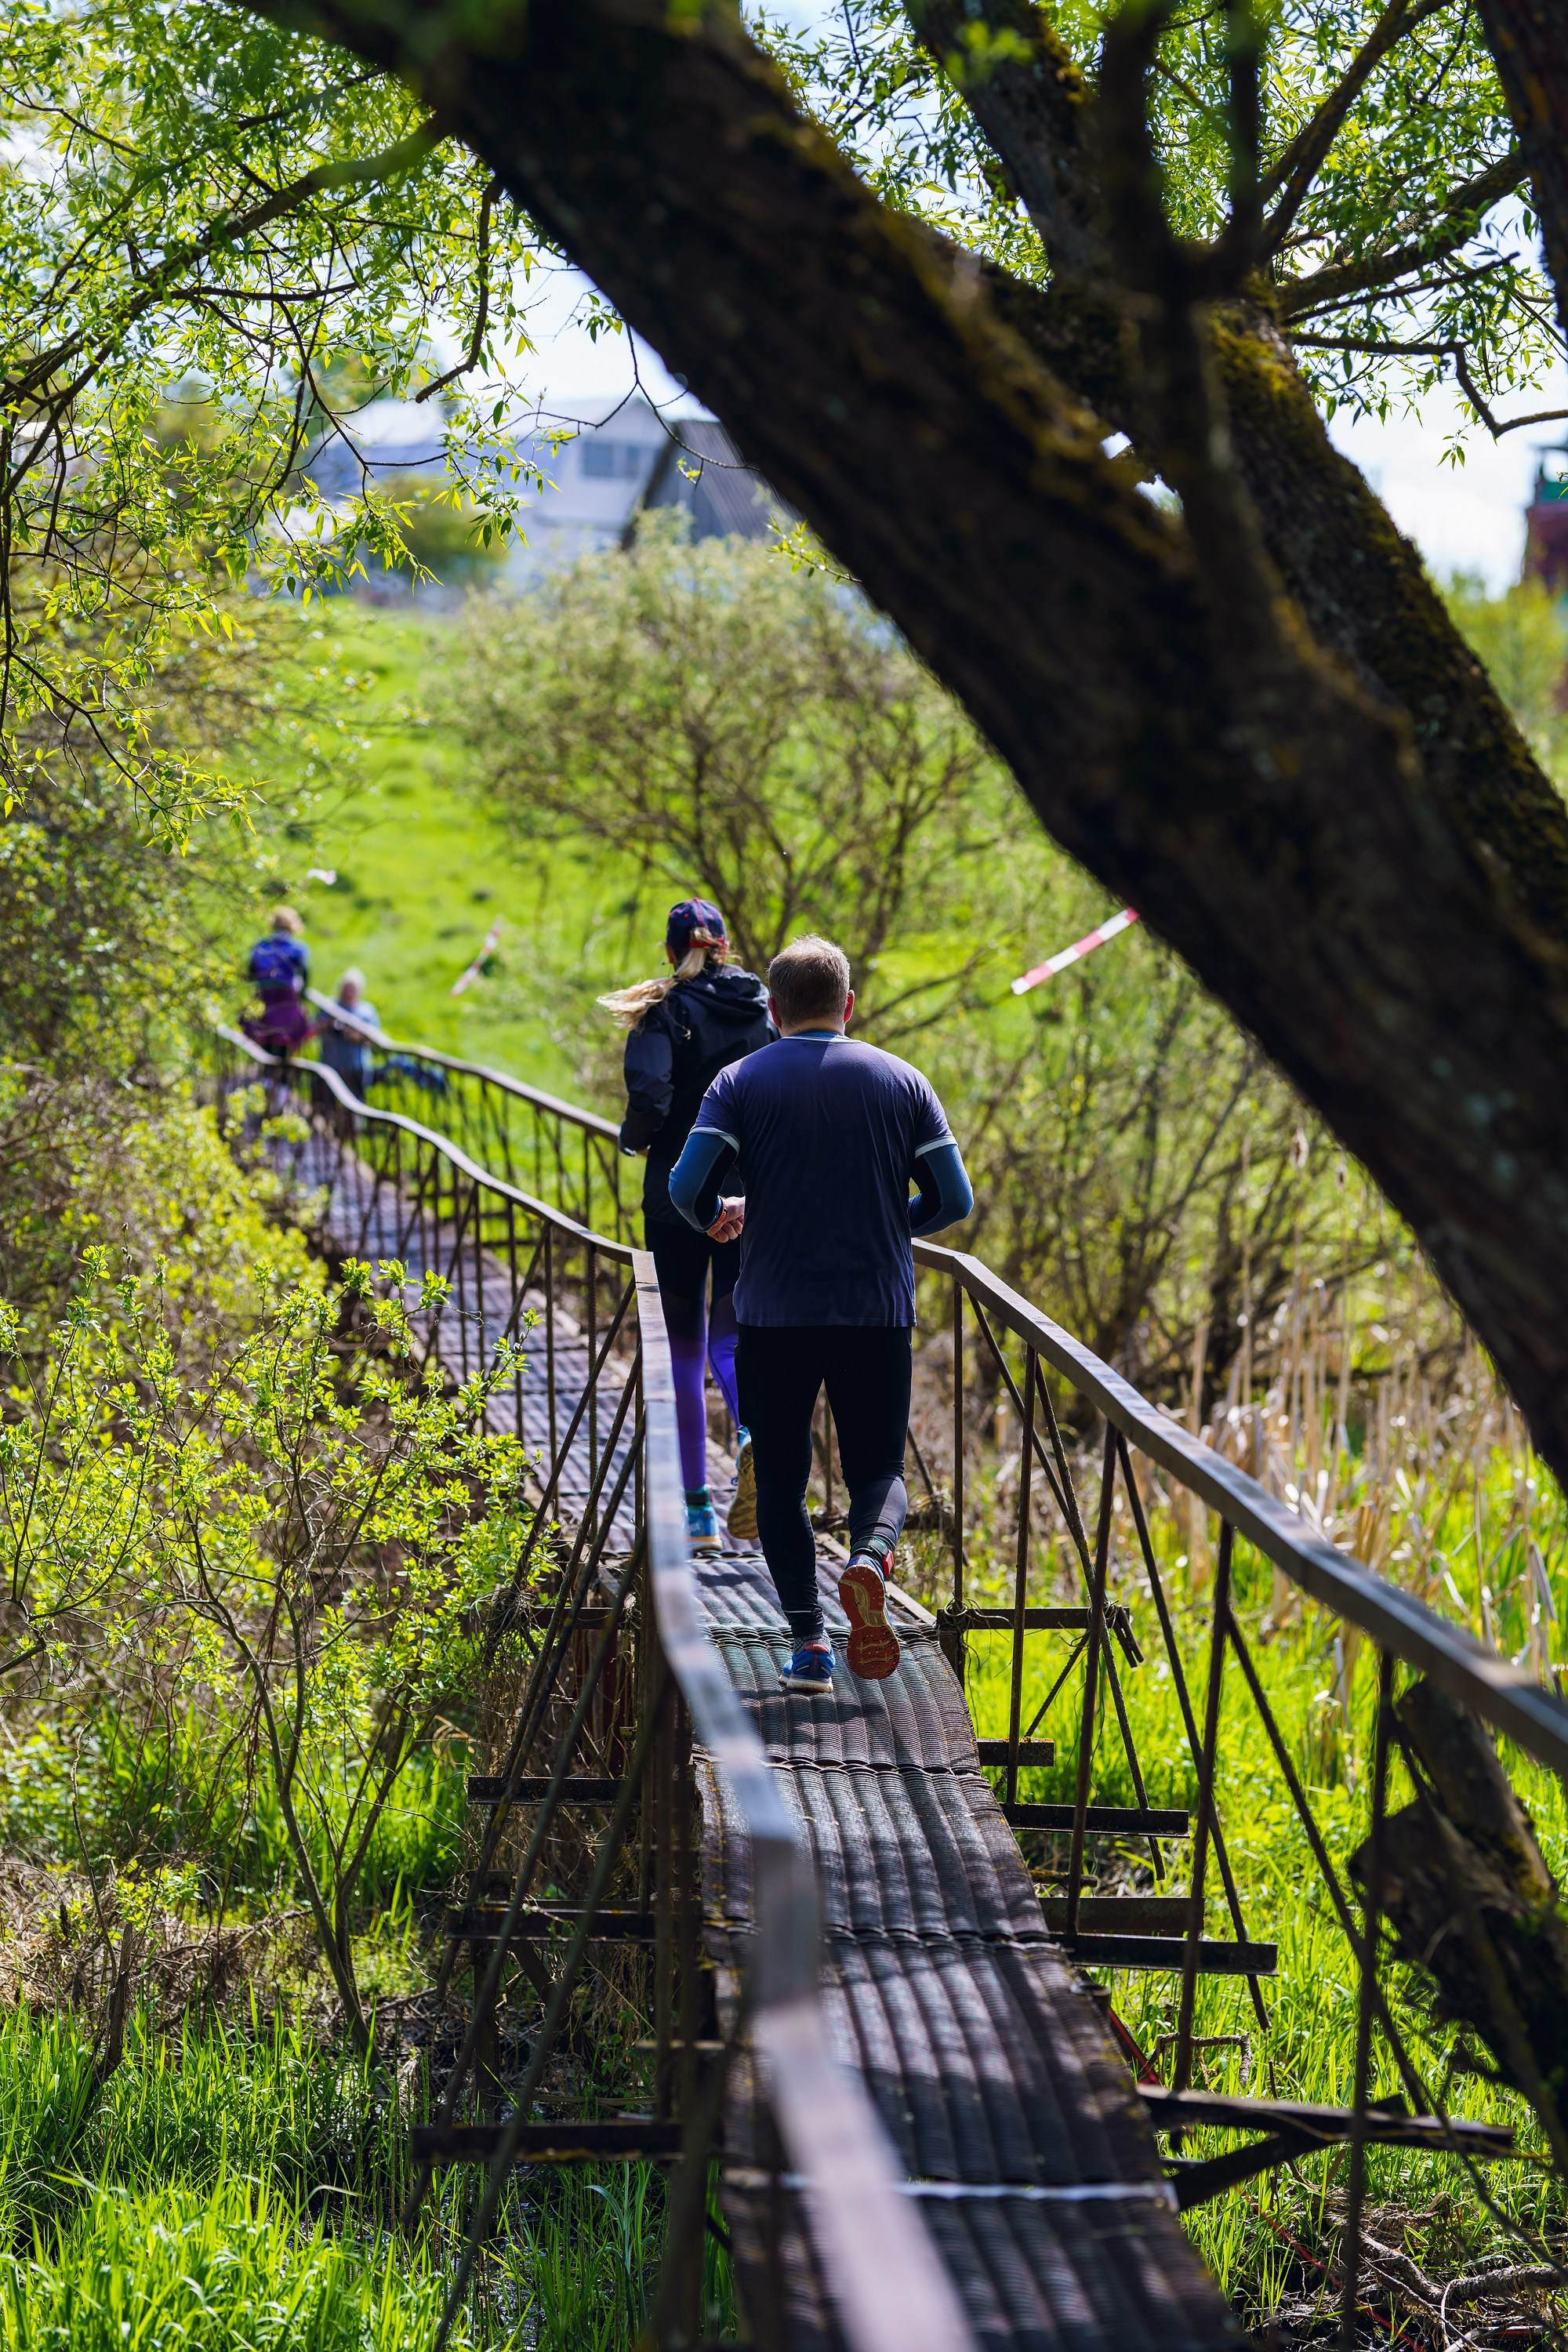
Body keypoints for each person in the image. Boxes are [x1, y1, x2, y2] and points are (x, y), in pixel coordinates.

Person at [668, 935, 973, 1694]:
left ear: (771, 1010)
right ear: (848, 1004)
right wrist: (883, 1220)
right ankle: (869, 1559)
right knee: (877, 1468)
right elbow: (953, 1200)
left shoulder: (737, 1082)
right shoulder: (904, 1082)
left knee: (777, 1479)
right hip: (874, 1310)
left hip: (772, 1314)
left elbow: (684, 1186)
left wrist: (715, 1217)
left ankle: (807, 1644)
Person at [601, 899, 773, 1555]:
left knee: (681, 1348)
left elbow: (650, 1097)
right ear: (725, 947)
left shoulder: (662, 1012)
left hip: (678, 1193)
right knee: (732, 1339)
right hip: (747, 1194)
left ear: (672, 952)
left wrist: (632, 1138)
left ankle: (698, 1512)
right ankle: (753, 1436)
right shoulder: (762, 1010)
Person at [242, 906, 314, 1058]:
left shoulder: (261, 946)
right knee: (288, 1035)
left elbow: (251, 973)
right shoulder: (298, 949)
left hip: (265, 996)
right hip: (286, 997)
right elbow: (304, 973)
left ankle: (267, 1075)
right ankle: (283, 1075)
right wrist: (303, 995)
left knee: (265, 1032)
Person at [318, 967, 382, 1101]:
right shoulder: (329, 1007)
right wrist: (329, 1024)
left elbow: (375, 1041)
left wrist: (355, 1036)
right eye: (346, 988)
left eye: (352, 989)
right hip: (331, 1065)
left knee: (355, 1103)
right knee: (327, 1102)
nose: (348, 993)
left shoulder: (367, 1012)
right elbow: (316, 1029)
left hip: (356, 1068)